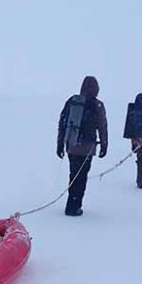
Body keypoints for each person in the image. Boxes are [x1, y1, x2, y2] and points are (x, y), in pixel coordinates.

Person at [57, 75, 108, 216]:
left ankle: (70, 204)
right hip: (87, 148)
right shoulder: (97, 105)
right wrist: (104, 145)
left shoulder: (72, 102)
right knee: (81, 176)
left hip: (72, 145)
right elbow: (102, 126)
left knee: (73, 174)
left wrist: (60, 144)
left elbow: (62, 124)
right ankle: (75, 206)